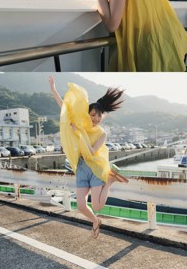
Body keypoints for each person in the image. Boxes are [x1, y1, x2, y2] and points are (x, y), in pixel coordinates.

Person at [49, 75, 128, 238]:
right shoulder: (80, 125)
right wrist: (53, 89)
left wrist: (78, 132)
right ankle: (95, 221)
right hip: (81, 167)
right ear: (87, 114)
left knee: (97, 206)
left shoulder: (102, 133)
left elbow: (92, 151)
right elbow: (64, 108)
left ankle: (110, 181)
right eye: (93, 115)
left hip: (96, 168)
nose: (96, 119)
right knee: (81, 206)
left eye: (99, 116)